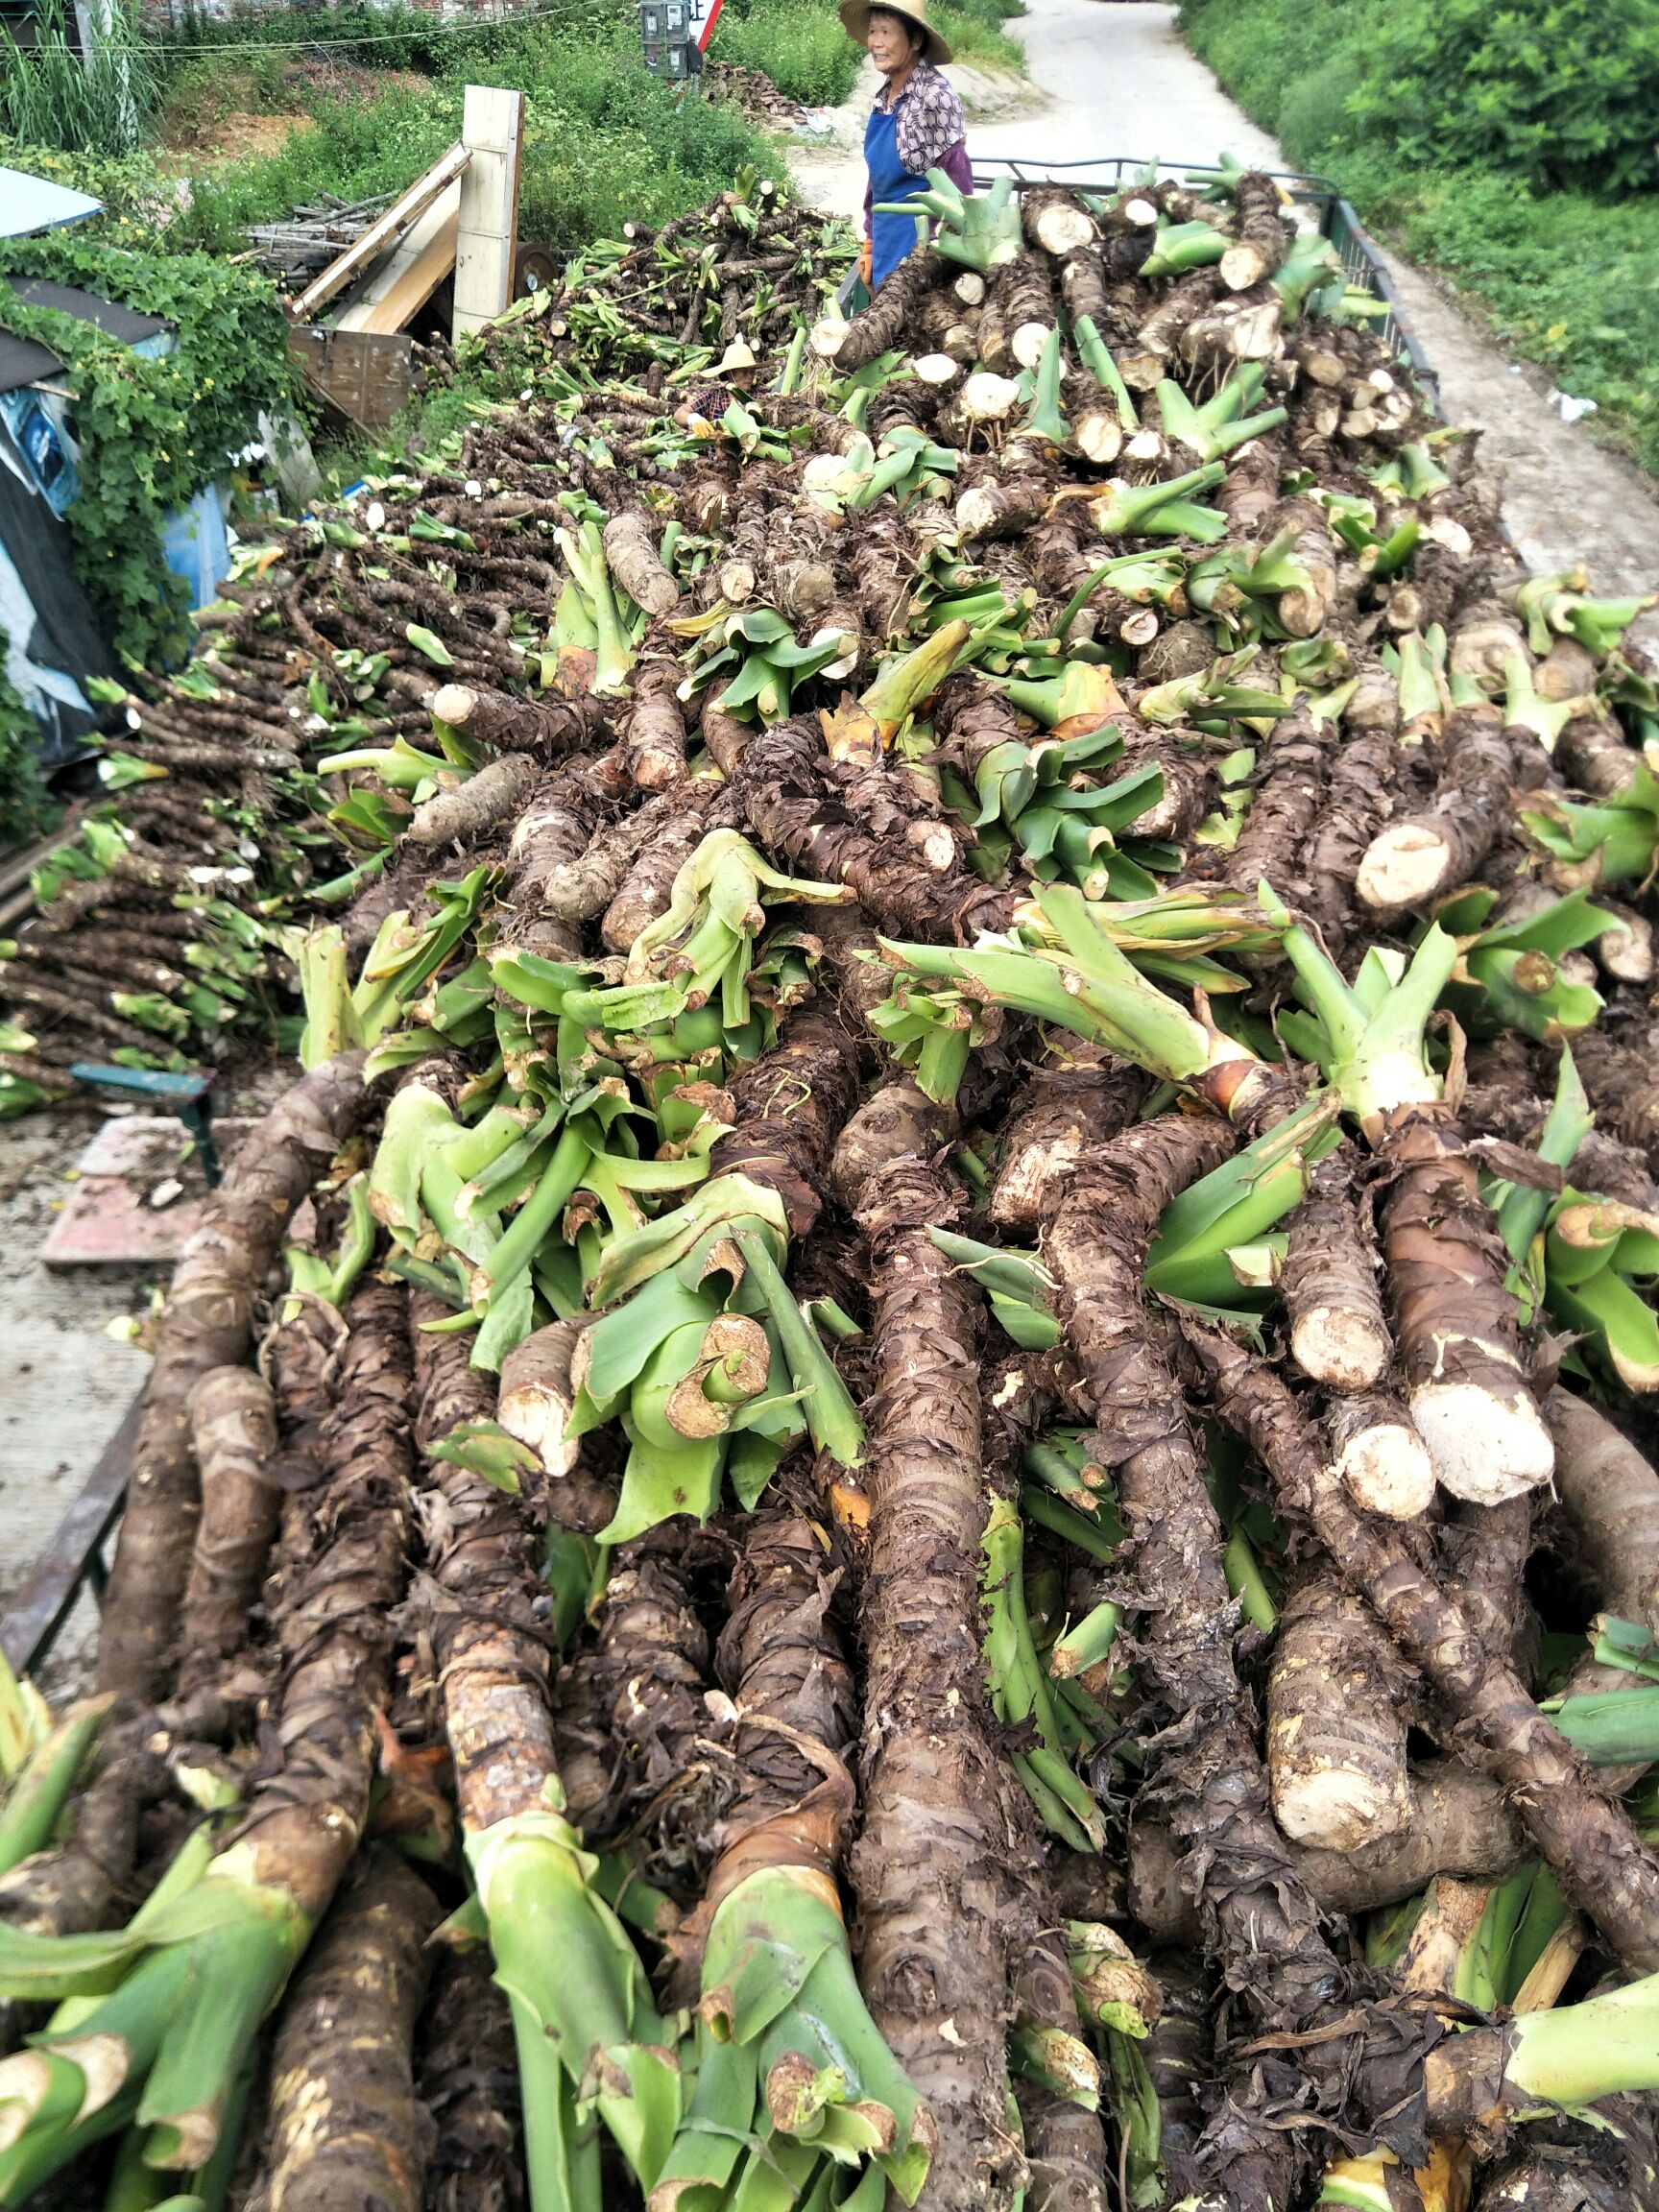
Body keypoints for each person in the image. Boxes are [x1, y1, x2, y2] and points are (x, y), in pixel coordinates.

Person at [840, 0, 972, 294]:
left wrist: (937, 259)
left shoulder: (935, 97)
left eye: (886, 32)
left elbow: (959, 187)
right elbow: (878, 179)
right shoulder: (883, 98)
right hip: (886, 241)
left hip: (922, 254)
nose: (876, 42)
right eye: (873, 31)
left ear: (915, 40)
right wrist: (871, 241)